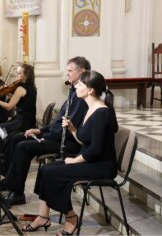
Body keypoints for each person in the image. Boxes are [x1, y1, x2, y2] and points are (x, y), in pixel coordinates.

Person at [22, 70, 118, 235]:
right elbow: (84, 139)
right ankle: (43, 217)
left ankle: (71, 218)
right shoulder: (91, 108)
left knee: (54, 174)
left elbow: (95, 149)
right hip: (90, 160)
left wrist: (75, 161)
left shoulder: (101, 113)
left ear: (90, 90)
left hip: (101, 165)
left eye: (80, 84)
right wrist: (73, 130)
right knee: (45, 169)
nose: (76, 86)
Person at [1, 56, 90, 206]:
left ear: (82, 71)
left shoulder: (81, 97)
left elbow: (68, 129)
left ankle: (17, 193)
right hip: (57, 136)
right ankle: (9, 181)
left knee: (24, 146)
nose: (67, 74)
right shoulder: (73, 92)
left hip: (70, 142)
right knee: (17, 138)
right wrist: (40, 130)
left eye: (70, 70)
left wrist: (45, 136)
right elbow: (58, 122)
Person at [0, 63, 37, 158]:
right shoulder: (31, 87)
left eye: (19, 73)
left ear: (26, 75)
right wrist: (3, 92)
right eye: (16, 73)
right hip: (28, 120)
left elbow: (9, 106)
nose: (16, 75)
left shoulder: (20, 88)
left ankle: (0, 154)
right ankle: (5, 151)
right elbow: (18, 98)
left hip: (22, 122)